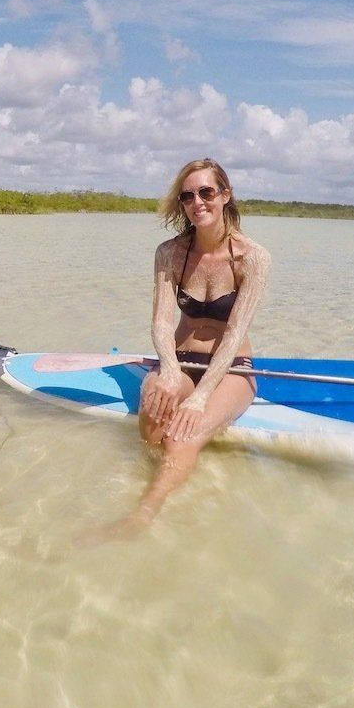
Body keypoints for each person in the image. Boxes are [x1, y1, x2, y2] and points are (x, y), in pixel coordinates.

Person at [104, 158, 270, 539]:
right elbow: (162, 322)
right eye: (188, 196)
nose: (198, 202)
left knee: (183, 436)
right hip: (178, 360)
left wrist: (200, 398)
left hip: (231, 370)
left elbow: (233, 335)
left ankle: (143, 515)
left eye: (207, 192)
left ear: (225, 195)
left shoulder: (254, 258)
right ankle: (166, 478)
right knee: (151, 419)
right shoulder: (170, 254)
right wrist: (168, 370)